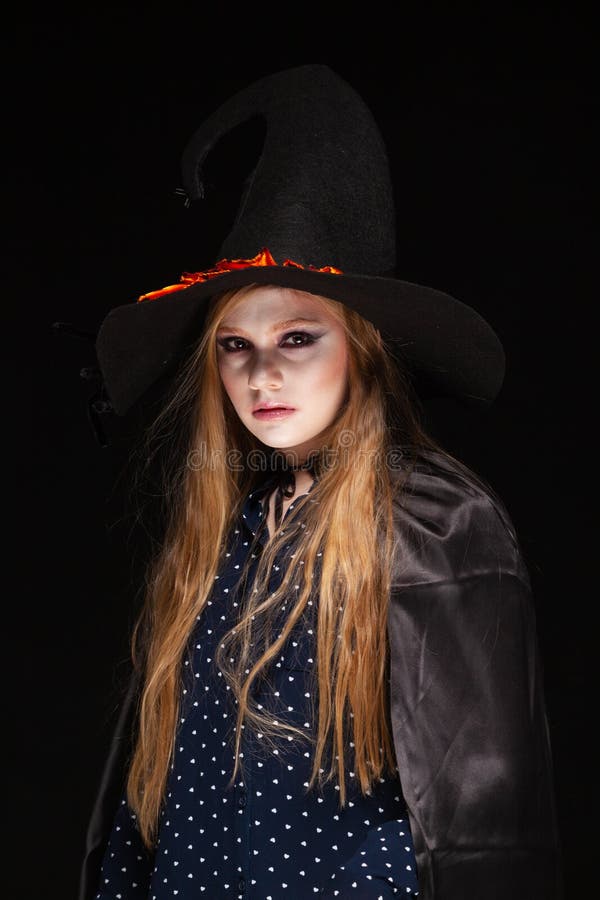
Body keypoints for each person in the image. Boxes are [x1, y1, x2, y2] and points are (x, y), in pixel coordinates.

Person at [78, 65, 562, 900]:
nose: (263, 373)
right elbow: (151, 803)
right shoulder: (226, 536)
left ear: (361, 352)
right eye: (235, 346)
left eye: (298, 338)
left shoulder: (436, 523)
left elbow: (481, 816)